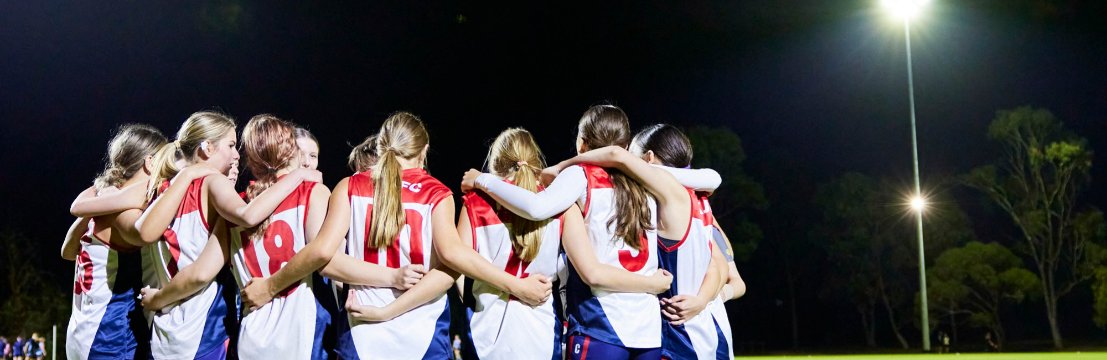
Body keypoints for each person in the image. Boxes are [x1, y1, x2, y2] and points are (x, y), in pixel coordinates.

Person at [463, 105, 721, 360]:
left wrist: (484, 179)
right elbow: (709, 178)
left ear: (582, 142)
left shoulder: (579, 175)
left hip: (601, 323)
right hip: (648, 327)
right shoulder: (648, 182)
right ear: (626, 144)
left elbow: (537, 207)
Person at [132, 111, 317, 360]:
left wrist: (187, 173)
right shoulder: (212, 182)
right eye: (230, 145)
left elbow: (143, 231)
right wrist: (298, 175)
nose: (237, 154)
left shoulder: (164, 188)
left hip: (165, 332)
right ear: (207, 148)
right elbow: (246, 216)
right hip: (202, 329)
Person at [63, 124, 174, 360]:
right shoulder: (123, 212)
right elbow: (146, 234)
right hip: (109, 338)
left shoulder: (102, 198)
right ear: (150, 162)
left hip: (81, 333)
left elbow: (67, 251)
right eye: (164, 160)